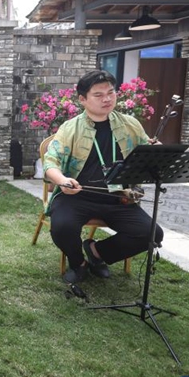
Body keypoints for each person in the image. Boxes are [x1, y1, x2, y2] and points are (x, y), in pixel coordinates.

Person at [43, 70, 164, 284]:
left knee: (151, 234)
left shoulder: (130, 125)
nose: (107, 99)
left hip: (119, 197)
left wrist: (157, 153)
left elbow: (147, 153)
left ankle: (97, 253)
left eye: (111, 93)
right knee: (62, 226)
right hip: (77, 196)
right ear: (82, 99)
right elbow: (50, 163)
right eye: (98, 95)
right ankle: (78, 262)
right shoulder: (70, 128)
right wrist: (62, 181)